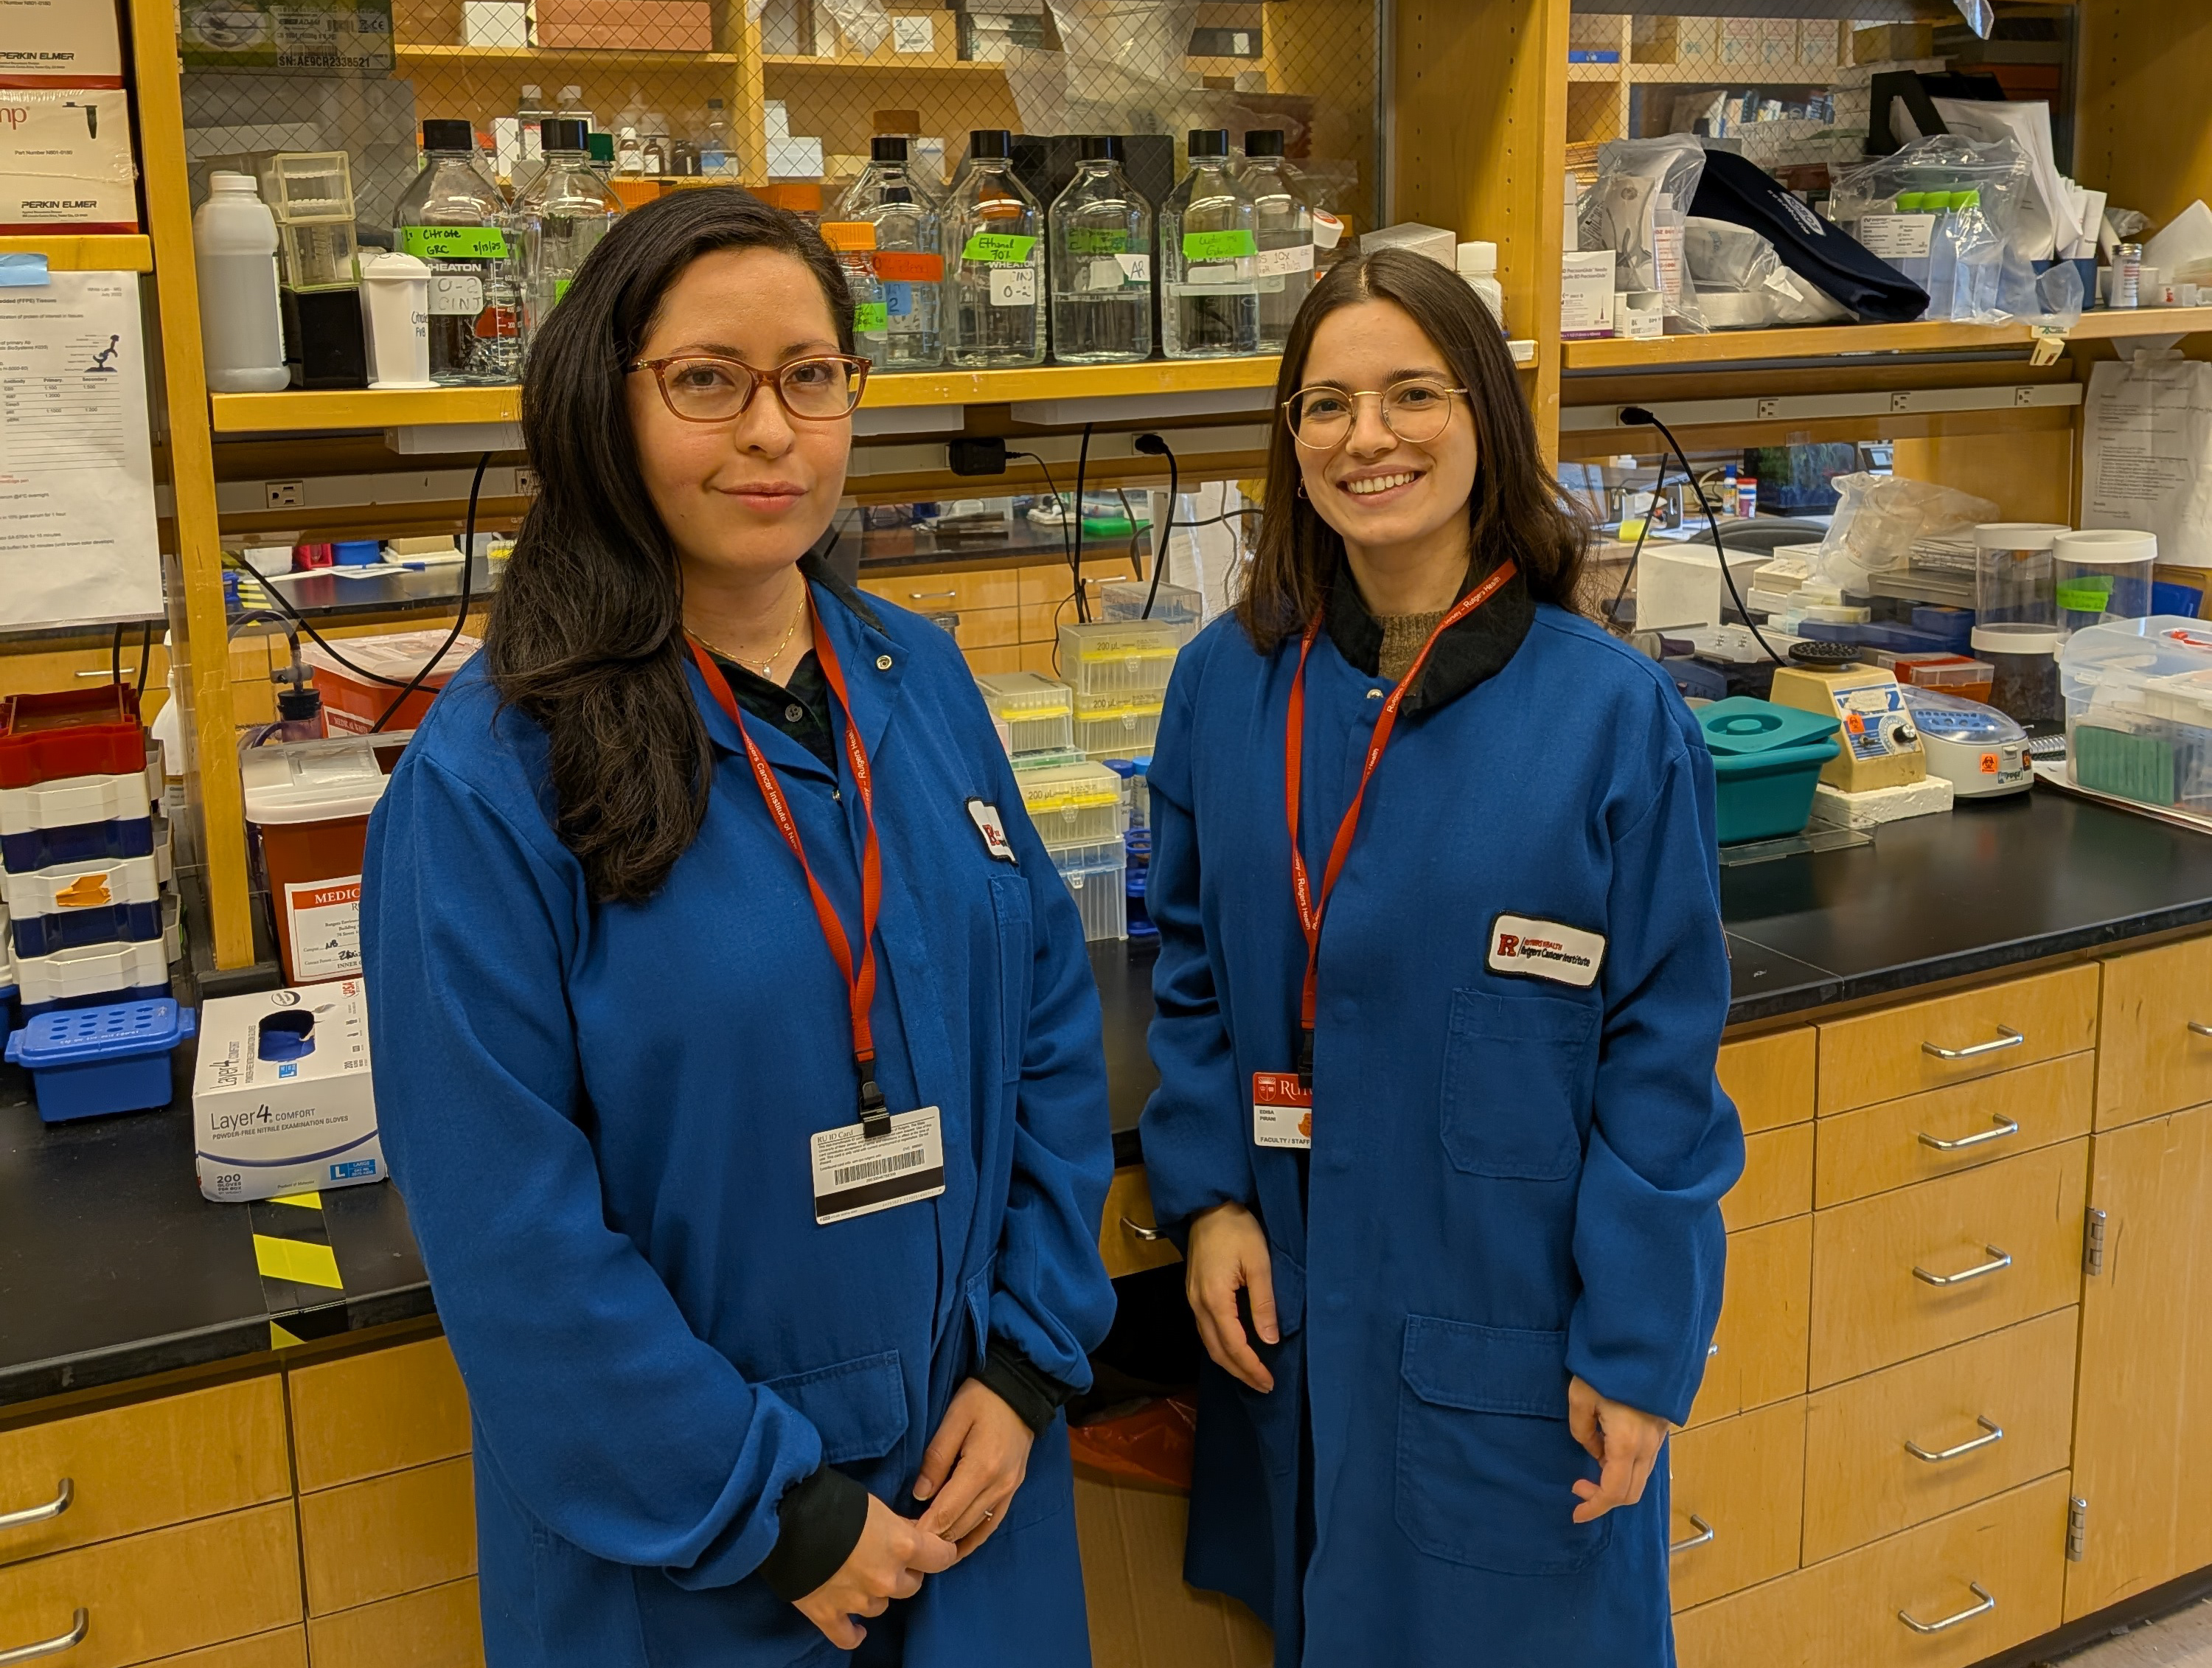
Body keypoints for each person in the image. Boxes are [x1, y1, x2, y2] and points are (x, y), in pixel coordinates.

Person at [361, 187, 1115, 1667]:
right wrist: (770, 1509)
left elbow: (1047, 1027)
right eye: (709, 380)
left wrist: (1029, 1357)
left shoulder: (920, 677)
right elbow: (511, 1235)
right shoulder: (492, 778)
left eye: (812, 376)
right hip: (699, 1561)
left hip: (971, 1492)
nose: (772, 432)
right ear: (607, 405)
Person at [1137, 247, 1744, 1664]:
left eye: (1414, 393)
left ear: (1486, 419)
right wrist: (1212, 1195)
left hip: (1516, 1336)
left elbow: (1662, 1059)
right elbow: (1190, 965)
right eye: (1328, 404)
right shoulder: (1226, 685)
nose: (1371, 438)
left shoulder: (1610, 717)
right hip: (1294, 1308)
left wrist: (1638, 1349)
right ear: (1291, 441)